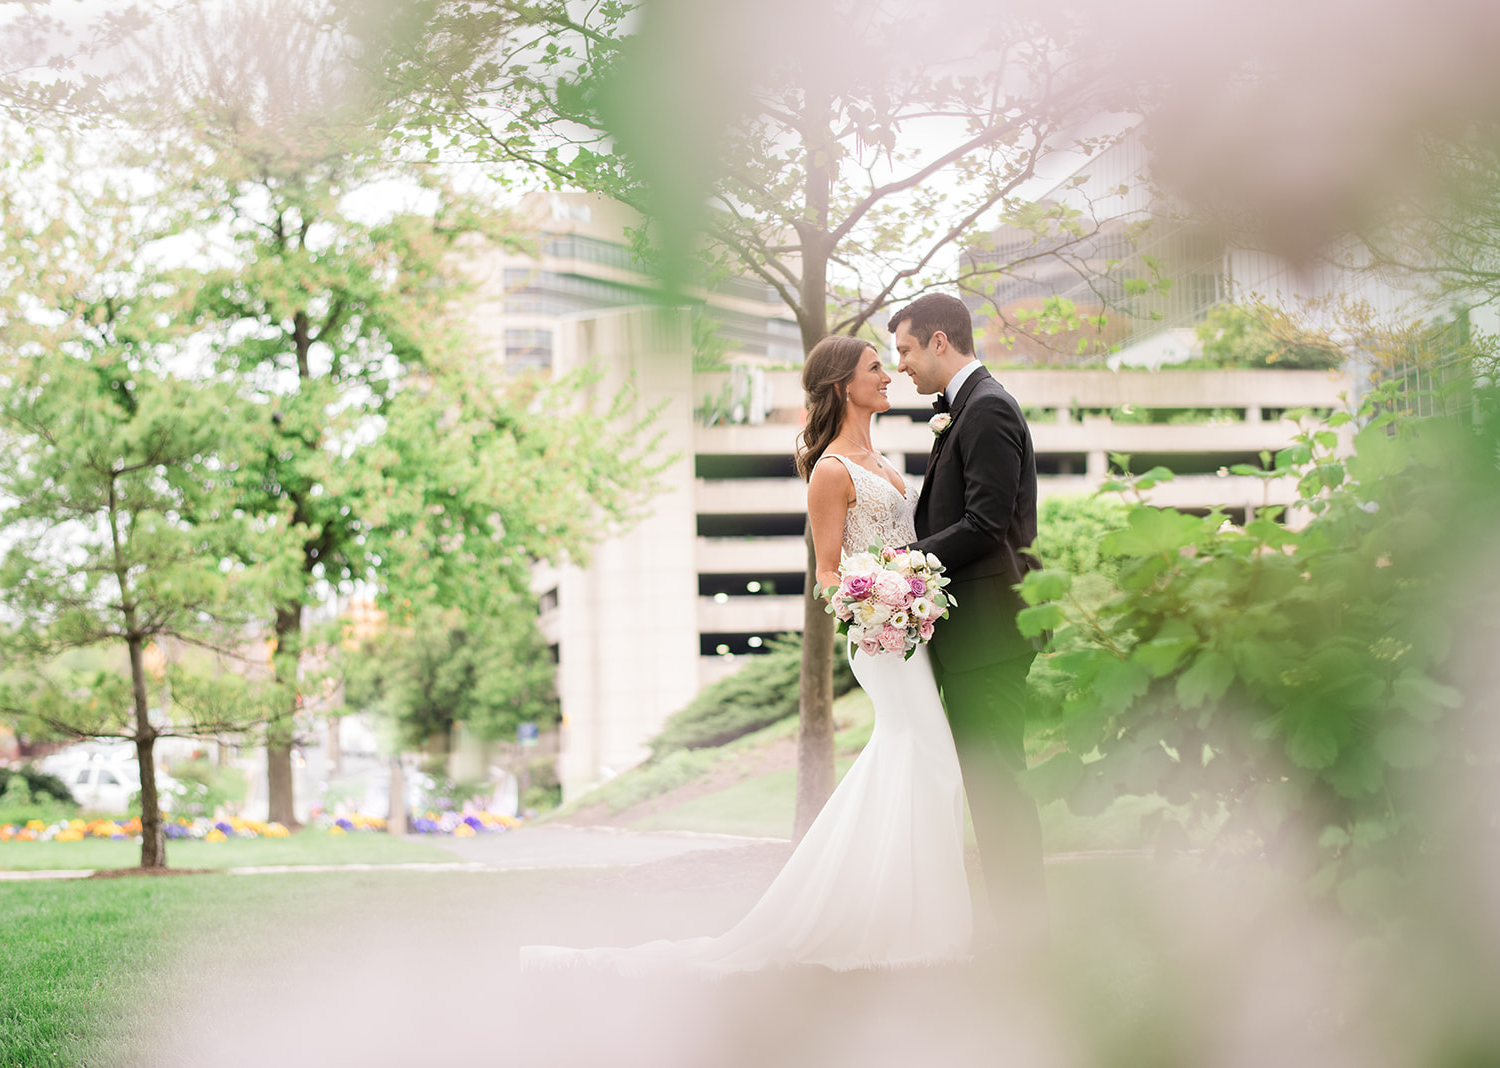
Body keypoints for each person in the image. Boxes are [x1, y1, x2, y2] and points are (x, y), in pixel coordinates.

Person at [519, 334, 971, 974]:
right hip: (879, 636)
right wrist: (886, 601)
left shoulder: (885, 457)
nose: (890, 375)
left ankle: (891, 909)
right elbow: (829, 575)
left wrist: (917, 592)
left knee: (915, 762)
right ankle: (902, 920)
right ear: (845, 384)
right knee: (930, 759)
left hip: (911, 631)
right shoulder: (831, 471)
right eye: (877, 367)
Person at [889, 293, 1045, 938]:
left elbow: (985, 525)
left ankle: (1025, 930)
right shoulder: (966, 409)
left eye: (903, 350)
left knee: (998, 783)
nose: (900, 365)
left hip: (989, 636)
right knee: (984, 785)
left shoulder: (986, 410)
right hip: (970, 634)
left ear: (939, 342)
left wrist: (901, 565)